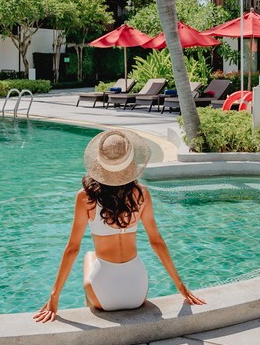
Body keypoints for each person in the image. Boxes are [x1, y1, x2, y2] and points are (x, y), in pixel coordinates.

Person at [34, 128, 204, 323]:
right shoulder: (142, 194)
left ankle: (94, 311)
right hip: (138, 294)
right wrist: (181, 287)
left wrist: (54, 297)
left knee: (89, 255)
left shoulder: (86, 197)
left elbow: (72, 249)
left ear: (100, 163)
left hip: (102, 297)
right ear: (130, 162)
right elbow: (156, 242)